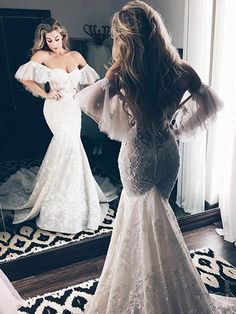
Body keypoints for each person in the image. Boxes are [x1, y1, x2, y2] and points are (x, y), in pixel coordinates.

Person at [75, 1, 236, 313]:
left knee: (137, 218)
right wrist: (177, 129)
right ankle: (165, 283)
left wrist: (123, 116)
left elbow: (92, 105)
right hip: (166, 149)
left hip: (137, 151)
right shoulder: (181, 70)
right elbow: (208, 104)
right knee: (159, 216)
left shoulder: (122, 72)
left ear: (127, 38)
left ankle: (143, 285)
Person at [0, 18, 111, 234]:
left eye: (57, 39)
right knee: (66, 145)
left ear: (63, 36)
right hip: (56, 109)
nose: (53, 43)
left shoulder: (76, 56)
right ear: (44, 41)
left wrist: (79, 94)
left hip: (72, 108)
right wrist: (46, 93)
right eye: (49, 40)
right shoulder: (42, 56)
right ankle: (58, 197)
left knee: (72, 148)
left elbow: (92, 80)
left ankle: (76, 192)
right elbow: (23, 77)